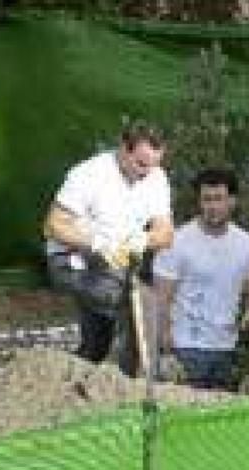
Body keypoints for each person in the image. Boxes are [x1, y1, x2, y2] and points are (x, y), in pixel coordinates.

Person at [43, 120, 174, 376]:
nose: (147, 172)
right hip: (72, 259)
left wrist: (141, 240)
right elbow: (53, 225)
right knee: (136, 299)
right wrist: (97, 243)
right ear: (124, 149)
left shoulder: (156, 177)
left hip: (117, 264)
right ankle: (139, 385)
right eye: (141, 164)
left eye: (154, 164)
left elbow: (166, 233)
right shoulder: (89, 174)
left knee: (96, 345)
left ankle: (72, 379)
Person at [154, 168, 249, 388]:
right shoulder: (177, 241)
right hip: (186, 350)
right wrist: (165, 352)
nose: (212, 207)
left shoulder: (245, 244)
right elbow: (161, 300)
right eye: (206, 199)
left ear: (232, 201)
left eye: (219, 199)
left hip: (228, 350)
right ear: (199, 202)